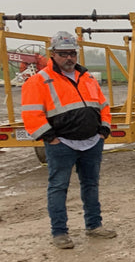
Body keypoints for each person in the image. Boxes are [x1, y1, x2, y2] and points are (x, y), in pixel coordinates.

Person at [21, 31, 117, 249]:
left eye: (72, 53)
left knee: (91, 185)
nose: (69, 58)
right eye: (63, 53)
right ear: (53, 54)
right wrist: (51, 138)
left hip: (92, 142)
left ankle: (94, 226)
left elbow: (103, 106)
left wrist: (104, 131)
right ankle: (60, 233)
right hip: (62, 144)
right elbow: (31, 114)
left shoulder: (88, 78)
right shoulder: (39, 81)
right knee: (58, 187)